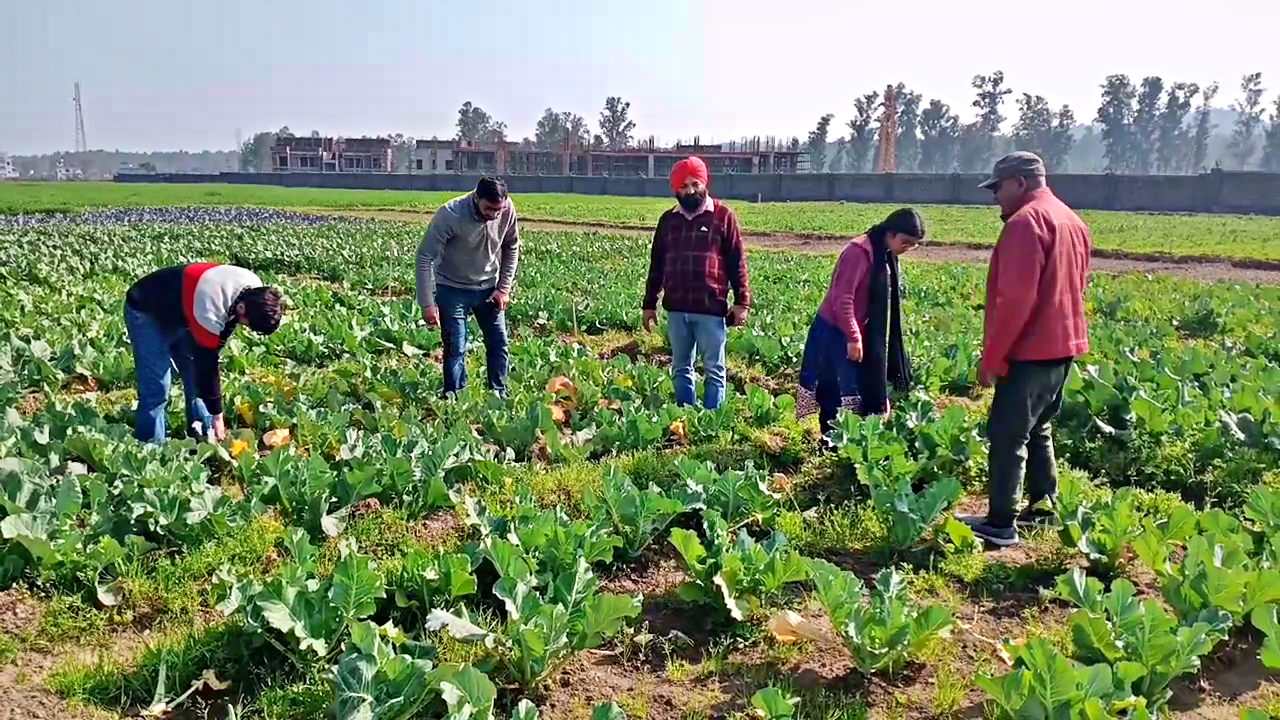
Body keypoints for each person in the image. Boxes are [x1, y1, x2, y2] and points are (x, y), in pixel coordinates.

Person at [962, 151, 1092, 547]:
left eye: (998, 188)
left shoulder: (1025, 224)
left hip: (1031, 350)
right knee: (1039, 428)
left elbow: (1015, 301)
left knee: (1007, 434)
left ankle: (1002, 522)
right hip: (1063, 346)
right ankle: (1043, 508)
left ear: (1019, 182)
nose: (994, 197)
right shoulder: (1071, 220)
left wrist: (993, 357)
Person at [796, 208, 924, 437]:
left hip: (859, 331)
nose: (907, 249)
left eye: (913, 244)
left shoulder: (883, 254)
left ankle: (849, 441)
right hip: (835, 331)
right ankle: (830, 442)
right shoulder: (859, 252)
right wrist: (853, 337)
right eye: (905, 242)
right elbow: (842, 297)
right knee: (834, 389)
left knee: (854, 388)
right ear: (891, 233)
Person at [124, 263, 283, 444]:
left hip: (184, 308)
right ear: (241, 309)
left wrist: (214, 407)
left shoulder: (254, 288)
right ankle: (149, 447)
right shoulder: (210, 306)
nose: (245, 326)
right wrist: (217, 413)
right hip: (146, 309)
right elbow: (207, 364)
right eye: (247, 324)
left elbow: (220, 337)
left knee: (193, 372)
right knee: (157, 385)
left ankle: (203, 434)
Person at [641, 156, 751, 410]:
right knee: (681, 367)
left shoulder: (723, 216)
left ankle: (712, 421)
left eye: (695, 183)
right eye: (683, 185)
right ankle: (685, 414)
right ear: (675, 190)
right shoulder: (668, 221)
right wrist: (649, 304)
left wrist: (742, 302)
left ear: (704, 183)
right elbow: (656, 264)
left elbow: (737, 261)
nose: (690, 190)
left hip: (711, 309)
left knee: (714, 368)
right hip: (677, 310)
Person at [416, 176, 521, 397]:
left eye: (498, 210)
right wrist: (427, 304)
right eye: (489, 208)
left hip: (489, 288)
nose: (494, 214)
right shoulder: (451, 214)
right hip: (452, 288)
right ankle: (455, 398)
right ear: (476, 198)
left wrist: (503, 288)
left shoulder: (507, 209)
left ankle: (498, 393)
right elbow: (425, 256)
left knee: (499, 342)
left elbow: (511, 246)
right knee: (456, 347)